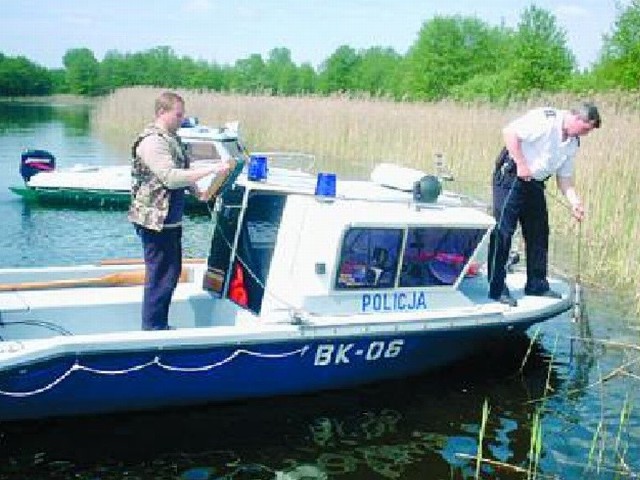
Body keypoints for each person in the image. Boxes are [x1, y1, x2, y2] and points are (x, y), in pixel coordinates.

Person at [129, 91, 230, 330]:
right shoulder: (153, 142)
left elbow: (182, 171)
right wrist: (212, 169)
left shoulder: (171, 138)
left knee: (170, 274)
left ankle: (158, 325)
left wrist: (200, 193)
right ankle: (153, 329)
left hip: (169, 221)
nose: (182, 119)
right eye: (178, 114)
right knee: (160, 276)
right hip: (155, 222)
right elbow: (170, 177)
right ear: (162, 112)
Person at [488, 102, 601, 307]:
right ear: (576, 118)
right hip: (511, 176)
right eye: (585, 129)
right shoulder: (545, 120)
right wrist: (522, 164)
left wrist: (575, 202)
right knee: (504, 232)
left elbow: (564, 178)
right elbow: (509, 132)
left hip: (535, 182)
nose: (586, 134)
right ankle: (496, 288)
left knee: (539, 231)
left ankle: (536, 284)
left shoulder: (573, 142)